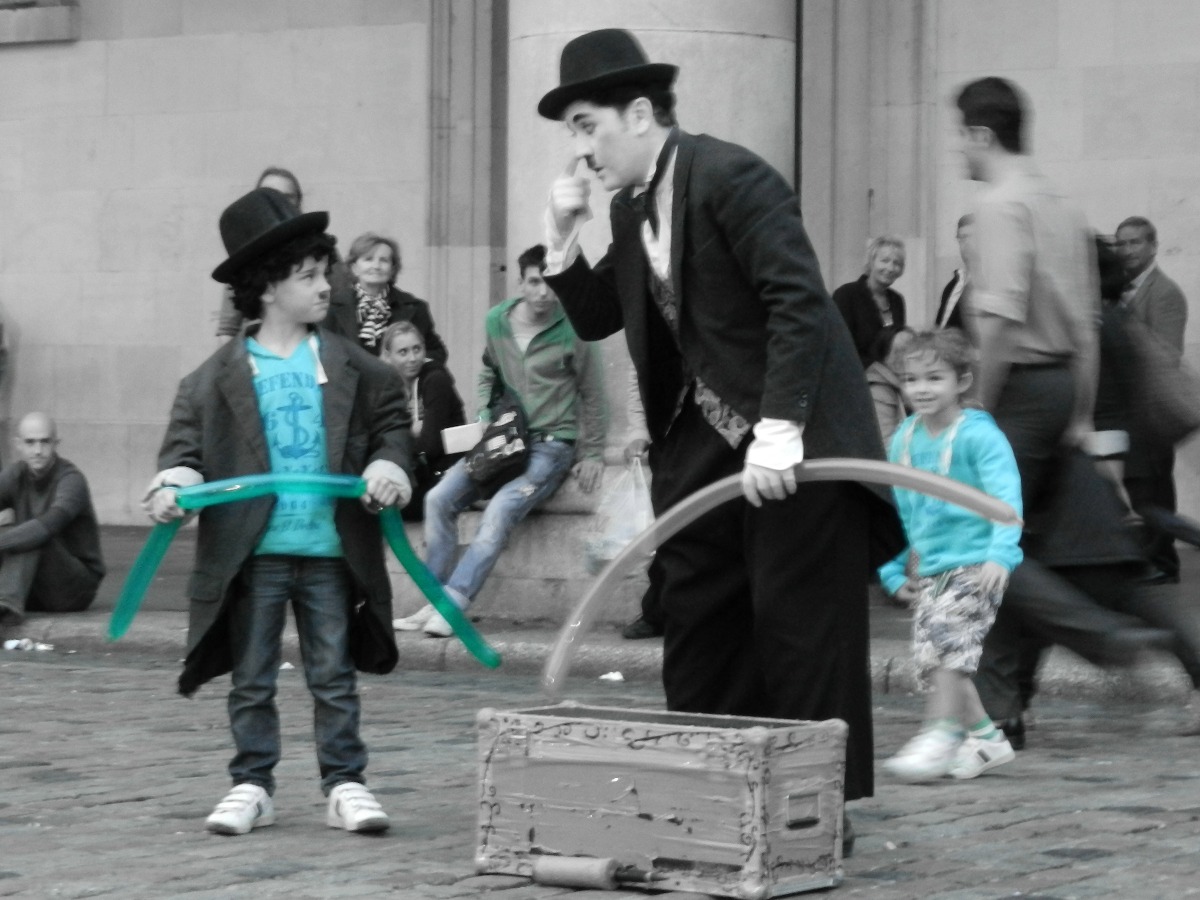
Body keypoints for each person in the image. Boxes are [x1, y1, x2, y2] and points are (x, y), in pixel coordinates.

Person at [539, 28, 904, 847]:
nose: (581, 150)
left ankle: (813, 811)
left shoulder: (731, 174)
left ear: (639, 113)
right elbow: (601, 316)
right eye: (571, 132)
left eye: (587, 124)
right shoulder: (632, 209)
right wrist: (562, 242)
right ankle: (711, 795)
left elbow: (797, 302)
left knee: (798, 624)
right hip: (698, 447)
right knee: (700, 615)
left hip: (795, 438)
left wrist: (781, 428)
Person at [145, 187, 413, 837]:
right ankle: (251, 784)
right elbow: (185, 451)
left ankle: (345, 781)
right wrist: (172, 485)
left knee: (333, 675)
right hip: (255, 553)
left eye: (326, 274)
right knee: (252, 676)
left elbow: (391, 427)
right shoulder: (211, 380)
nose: (326, 287)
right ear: (268, 289)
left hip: (328, 552)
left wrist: (389, 464)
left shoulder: (358, 367)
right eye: (310, 276)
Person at [956, 77, 1169, 749]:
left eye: (960, 136)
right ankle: (1002, 710)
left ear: (982, 135)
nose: (957, 150)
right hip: (1056, 392)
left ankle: (1101, 637)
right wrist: (1075, 413)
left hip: (1014, 391)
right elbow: (1083, 322)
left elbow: (996, 322)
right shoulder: (1060, 204)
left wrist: (975, 415)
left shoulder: (999, 206)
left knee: (974, 545)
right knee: (1025, 549)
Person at [396, 244, 607, 637]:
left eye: (550, 285)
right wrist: (484, 416)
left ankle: (453, 604)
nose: (544, 293)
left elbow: (593, 393)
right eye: (535, 282)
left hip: (552, 444)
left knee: (499, 511)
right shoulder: (498, 321)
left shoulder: (574, 327)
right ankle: (431, 600)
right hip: (505, 436)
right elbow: (488, 371)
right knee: (438, 498)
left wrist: (593, 451)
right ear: (522, 282)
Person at [879, 330, 1022, 781]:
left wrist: (1001, 554)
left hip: (977, 564)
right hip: (934, 566)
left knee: (946, 650)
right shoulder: (903, 439)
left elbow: (1006, 496)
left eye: (933, 378)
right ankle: (986, 739)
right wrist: (891, 566)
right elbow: (901, 510)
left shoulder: (979, 437)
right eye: (911, 378)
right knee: (938, 660)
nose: (921, 388)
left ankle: (939, 734)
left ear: (962, 381)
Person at [1113, 215, 1188, 585]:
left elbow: (1168, 355)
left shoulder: (1166, 293)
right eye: (1120, 244)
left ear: (1153, 245)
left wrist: (1125, 324)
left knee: (1156, 488)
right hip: (1128, 413)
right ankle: (1147, 559)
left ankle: (1164, 563)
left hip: (1153, 412)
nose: (1125, 250)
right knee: (1140, 490)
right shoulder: (1121, 289)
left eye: (1134, 242)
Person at [0, 412, 105, 627]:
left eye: (44, 442)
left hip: (74, 588)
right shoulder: (16, 475)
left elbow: (49, 524)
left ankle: (4, 609)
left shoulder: (71, 480)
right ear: (18, 444)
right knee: (16, 533)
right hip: (35, 585)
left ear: (56, 443)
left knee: (31, 535)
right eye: (30, 443)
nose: (38, 450)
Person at [377, 320, 465, 521]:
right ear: (388, 356)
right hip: (412, 473)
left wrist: (405, 436)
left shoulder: (435, 380)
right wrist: (412, 432)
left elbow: (430, 446)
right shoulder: (386, 386)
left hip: (444, 474)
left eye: (417, 349)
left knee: (386, 506)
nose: (412, 358)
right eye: (403, 352)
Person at [322, 232, 449, 365]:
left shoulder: (415, 308)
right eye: (368, 259)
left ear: (393, 269)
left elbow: (437, 353)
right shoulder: (331, 307)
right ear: (354, 268)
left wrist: (405, 362)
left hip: (396, 383)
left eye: (383, 260)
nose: (376, 266)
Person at [216, 166, 305, 340]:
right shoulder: (245, 259)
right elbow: (227, 331)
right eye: (268, 195)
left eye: (286, 197)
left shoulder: (321, 251)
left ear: (298, 202)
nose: (276, 203)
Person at [619, 368, 664, 640]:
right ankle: (658, 609)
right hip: (673, 433)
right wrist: (638, 430)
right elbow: (640, 371)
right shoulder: (652, 326)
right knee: (669, 525)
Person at [833, 235, 908, 367]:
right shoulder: (846, 295)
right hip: (857, 374)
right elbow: (840, 347)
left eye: (896, 263)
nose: (890, 268)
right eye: (884, 261)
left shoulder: (897, 300)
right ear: (871, 262)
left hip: (890, 374)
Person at [866, 327, 914, 444]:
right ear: (884, 357)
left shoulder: (913, 384)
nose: (907, 356)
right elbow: (886, 444)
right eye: (899, 351)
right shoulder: (877, 392)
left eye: (912, 348)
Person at [935, 214, 974, 330]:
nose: (966, 243)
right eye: (962, 238)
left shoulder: (990, 285)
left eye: (971, 237)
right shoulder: (952, 286)